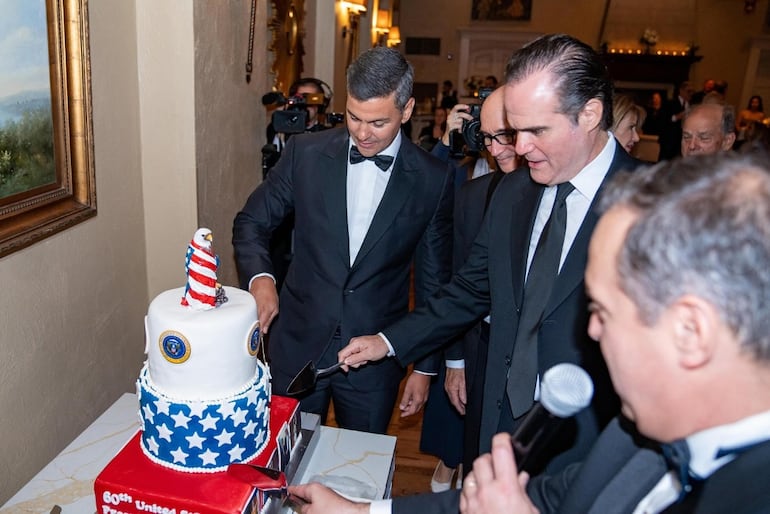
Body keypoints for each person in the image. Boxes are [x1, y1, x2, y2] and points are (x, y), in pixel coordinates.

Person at [290, 150, 770, 514]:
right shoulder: (636, 439)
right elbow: (539, 496)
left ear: (691, 330)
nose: (592, 332)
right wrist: (364, 510)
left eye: (602, 310)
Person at [339, 33, 640, 473]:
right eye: (516, 131)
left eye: (537, 130)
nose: (518, 148)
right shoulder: (513, 191)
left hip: (591, 443)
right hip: (497, 419)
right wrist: (388, 342)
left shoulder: (655, 205)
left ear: (590, 113)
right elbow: (470, 290)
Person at [232, 46, 454, 434]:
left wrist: (424, 366)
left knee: (359, 470)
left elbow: (435, 282)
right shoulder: (306, 154)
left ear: (406, 110)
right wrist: (261, 279)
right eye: (354, 117)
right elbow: (251, 222)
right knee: (284, 462)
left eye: (378, 123)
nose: (363, 133)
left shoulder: (434, 179)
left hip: (376, 358)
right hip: (297, 344)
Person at [421, 87, 518, 491]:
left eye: (507, 135)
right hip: (473, 331)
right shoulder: (471, 190)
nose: (497, 148)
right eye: (489, 137)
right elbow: (457, 278)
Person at [659, 81, 693, 160]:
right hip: (669, 142)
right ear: (681, 91)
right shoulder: (669, 103)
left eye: (692, 92)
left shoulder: (692, 105)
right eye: (688, 91)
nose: (690, 94)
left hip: (684, 142)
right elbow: (661, 121)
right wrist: (676, 117)